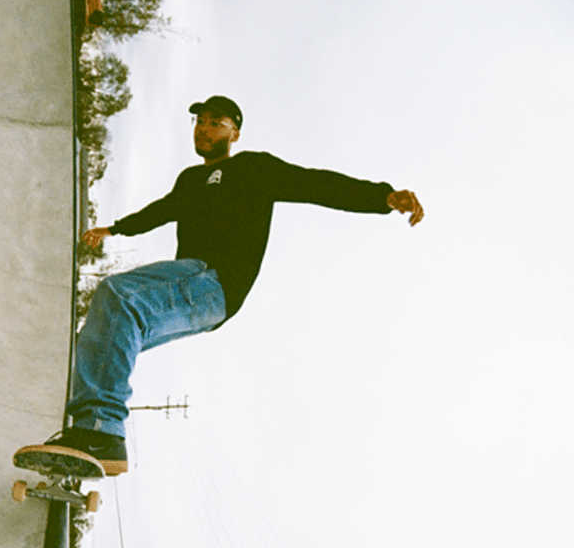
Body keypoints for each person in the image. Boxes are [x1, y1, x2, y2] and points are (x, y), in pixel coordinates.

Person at [39, 94, 424, 476]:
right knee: (103, 334)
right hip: (194, 298)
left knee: (119, 296)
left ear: (234, 132)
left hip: (214, 280)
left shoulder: (254, 168)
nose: (203, 129)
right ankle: (84, 444)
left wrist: (381, 197)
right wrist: (115, 228)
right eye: (199, 122)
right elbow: (162, 210)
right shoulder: (189, 180)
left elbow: (314, 184)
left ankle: (102, 431)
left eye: (214, 122)